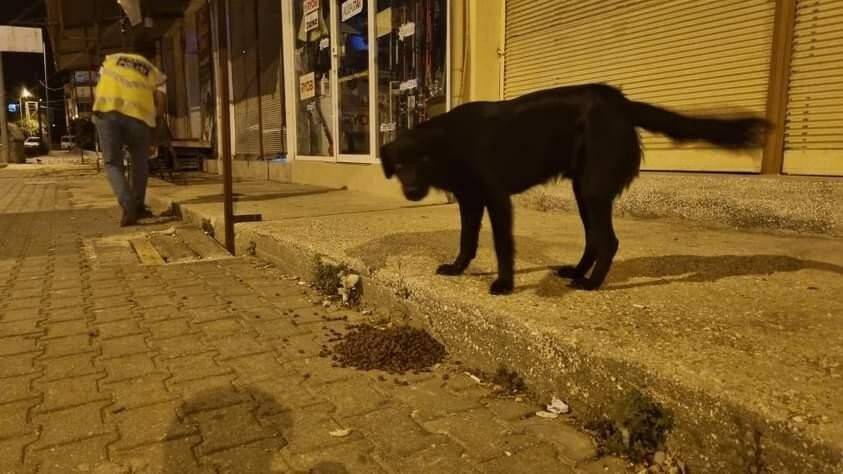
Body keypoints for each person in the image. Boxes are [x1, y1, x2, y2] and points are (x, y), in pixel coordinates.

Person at [92, 28, 166, 226]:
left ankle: (128, 204)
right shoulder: (154, 71)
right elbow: (160, 105)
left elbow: (99, 87)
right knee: (140, 162)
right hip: (139, 117)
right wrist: (154, 137)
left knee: (112, 163)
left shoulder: (111, 60)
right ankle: (138, 206)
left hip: (106, 111)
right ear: (153, 55)